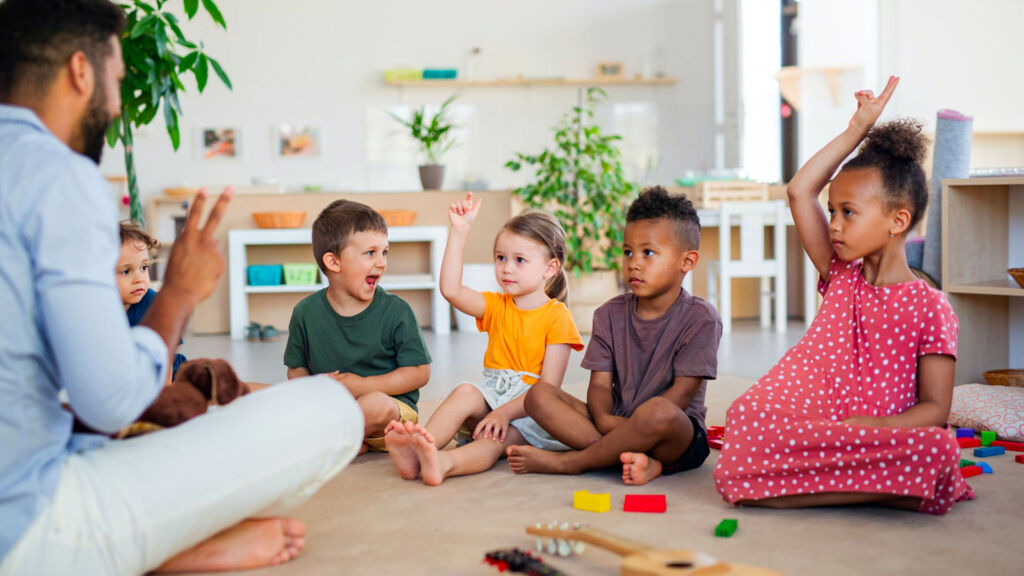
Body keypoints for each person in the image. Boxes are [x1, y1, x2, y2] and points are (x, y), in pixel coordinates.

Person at [0, 2, 363, 574]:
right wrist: (178, 294)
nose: (117, 105)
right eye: (117, 81)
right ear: (80, 72)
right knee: (330, 410)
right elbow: (112, 402)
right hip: (26, 529)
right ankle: (163, 550)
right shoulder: (57, 176)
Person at [712, 76, 974, 514]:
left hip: (883, 431)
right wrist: (858, 130)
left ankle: (786, 489)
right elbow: (800, 190)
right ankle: (885, 489)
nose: (833, 224)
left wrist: (875, 424)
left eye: (848, 213)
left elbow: (934, 407)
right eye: (832, 211)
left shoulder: (932, 306)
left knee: (939, 449)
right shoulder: (840, 274)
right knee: (743, 418)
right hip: (821, 424)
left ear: (898, 221)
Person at [505, 186, 722, 484]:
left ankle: (575, 462)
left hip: (673, 435)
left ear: (687, 261)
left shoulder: (701, 318)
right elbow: (600, 386)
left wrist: (629, 427)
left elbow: (681, 396)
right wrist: (606, 419)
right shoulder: (608, 314)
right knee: (539, 395)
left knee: (660, 411)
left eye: (648, 253)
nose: (634, 262)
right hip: (611, 422)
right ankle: (636, 459)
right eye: (627, 252)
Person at [385, 192, 583, 485]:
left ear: (549, 268)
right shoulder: (496, 305)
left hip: (531, 411)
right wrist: (459, 231)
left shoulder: (558, 317)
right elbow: (451, 290)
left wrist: (504, 413)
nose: (506, 268)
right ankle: (421, 450)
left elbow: (548, 390)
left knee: (496, 439)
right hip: (493, 397)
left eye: (519, 260)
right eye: (501, 258)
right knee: (465, 390)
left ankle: (444, 463)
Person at [284, 199, 432, 453]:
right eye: (370, 253)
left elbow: (420, 372)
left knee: (376, 404)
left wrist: (363, 386)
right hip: (334, 410)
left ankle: (334, 439)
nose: (382, 262)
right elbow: (296, 372)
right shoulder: (305, 313)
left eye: (384, 252)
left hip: (390, 415)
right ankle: (349, 439)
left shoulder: (397, 311)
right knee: (271, 398)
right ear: (333, 262)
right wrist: (317, 387)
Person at [118, 221, 186, 380]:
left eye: (144, 268)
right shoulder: (99, 310)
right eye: (126, 271)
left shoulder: (155, 304)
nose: (139, 279)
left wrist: (164, 396)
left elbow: (167, 357)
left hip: (171, 375)